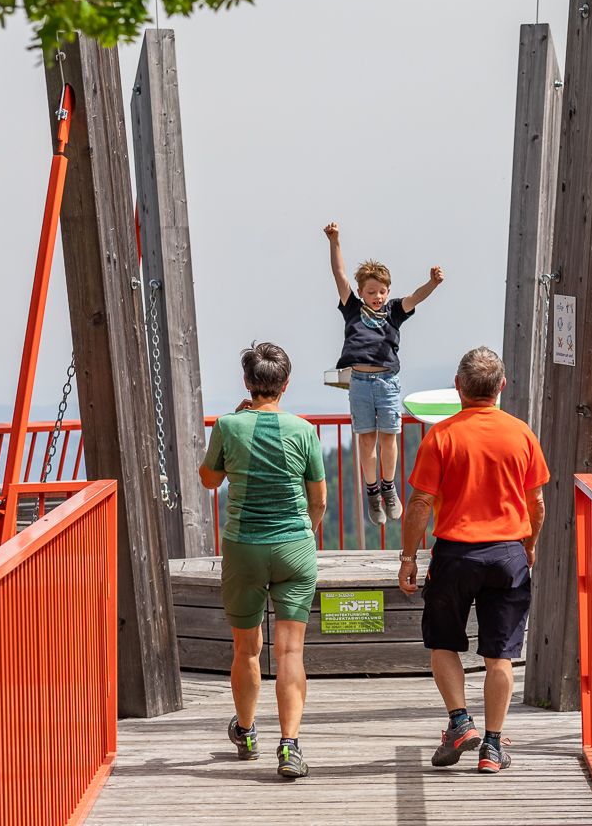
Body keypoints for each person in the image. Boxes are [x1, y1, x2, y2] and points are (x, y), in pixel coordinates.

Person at [397, 346, 548, 774]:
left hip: (455, 554)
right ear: (501, 386)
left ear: (458, 387)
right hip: (508, 554)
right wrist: (530, 544)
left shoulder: (441, 435)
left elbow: (421, 502)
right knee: (500, 655)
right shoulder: (521, 434)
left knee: (444, 643)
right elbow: (537, 504)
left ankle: (460, 722)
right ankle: (494, 747)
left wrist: (409, 557)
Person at [199, 342, 327, 780]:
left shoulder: (228, 425)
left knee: (246, 649)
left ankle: (247, 732)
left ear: (247, 384)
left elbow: (209, 480)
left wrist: (233, 423)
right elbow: (320, 499)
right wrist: (304, 537)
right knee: (291, 650)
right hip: (294, 545)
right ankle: (290, 746)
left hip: (243, 547)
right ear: (285, 384)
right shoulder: (304, 430)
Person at [323, 220, 444, 526]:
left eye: (381, 291)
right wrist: (334, 240)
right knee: (366, 440)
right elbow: (339, 274)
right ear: (362, 292)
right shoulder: (352, 308)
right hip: (360, 382)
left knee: (389, 438)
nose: (377, 296)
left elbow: (415, 297)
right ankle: (372, 491)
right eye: (371, 291)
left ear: (388, 291)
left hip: (387, 381)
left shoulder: (393, 311)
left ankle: (389, 488)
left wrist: (432, 283)